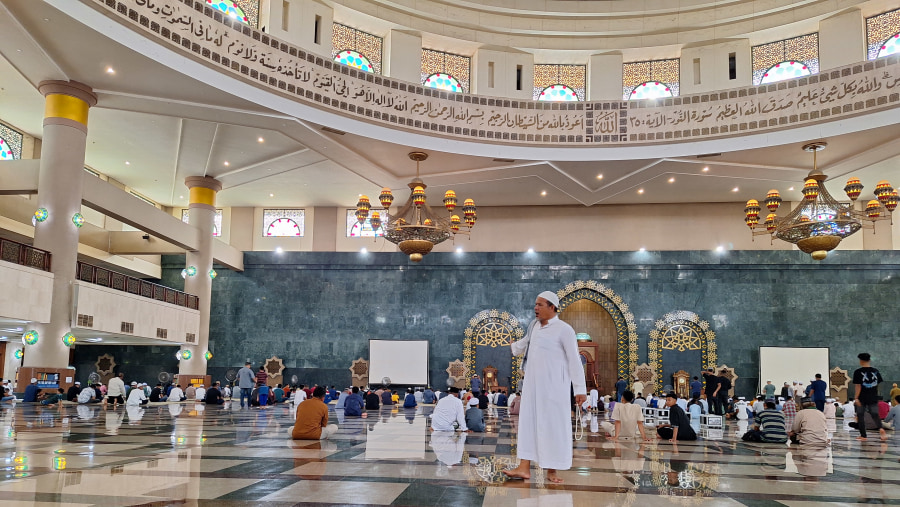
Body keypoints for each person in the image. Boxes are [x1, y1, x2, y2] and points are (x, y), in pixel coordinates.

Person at [504, 291, 587, 484]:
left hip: (554, 389)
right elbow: (522, 345)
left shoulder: (564, 329)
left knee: (554, 427)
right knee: (528, 425)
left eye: (540, 305)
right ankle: (524, 468)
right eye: (535, 304)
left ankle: (552, 470)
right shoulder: (533, 326)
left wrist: (580, 389)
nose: (536, 308)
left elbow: (574, 360)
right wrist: (511, 346)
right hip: (533, 388)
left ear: (552, 307)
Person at [852, 352, 888, 441]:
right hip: (873, 396)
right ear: (869, 360)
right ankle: (881, 429)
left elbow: (858, 386)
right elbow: (878, 385)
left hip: (862, 397)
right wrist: (875, 394)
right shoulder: (875, 371)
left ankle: (863, 436)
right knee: (875, 414)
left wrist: (856, 398)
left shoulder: (858, 372)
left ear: (861, 361)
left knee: (860, 416)